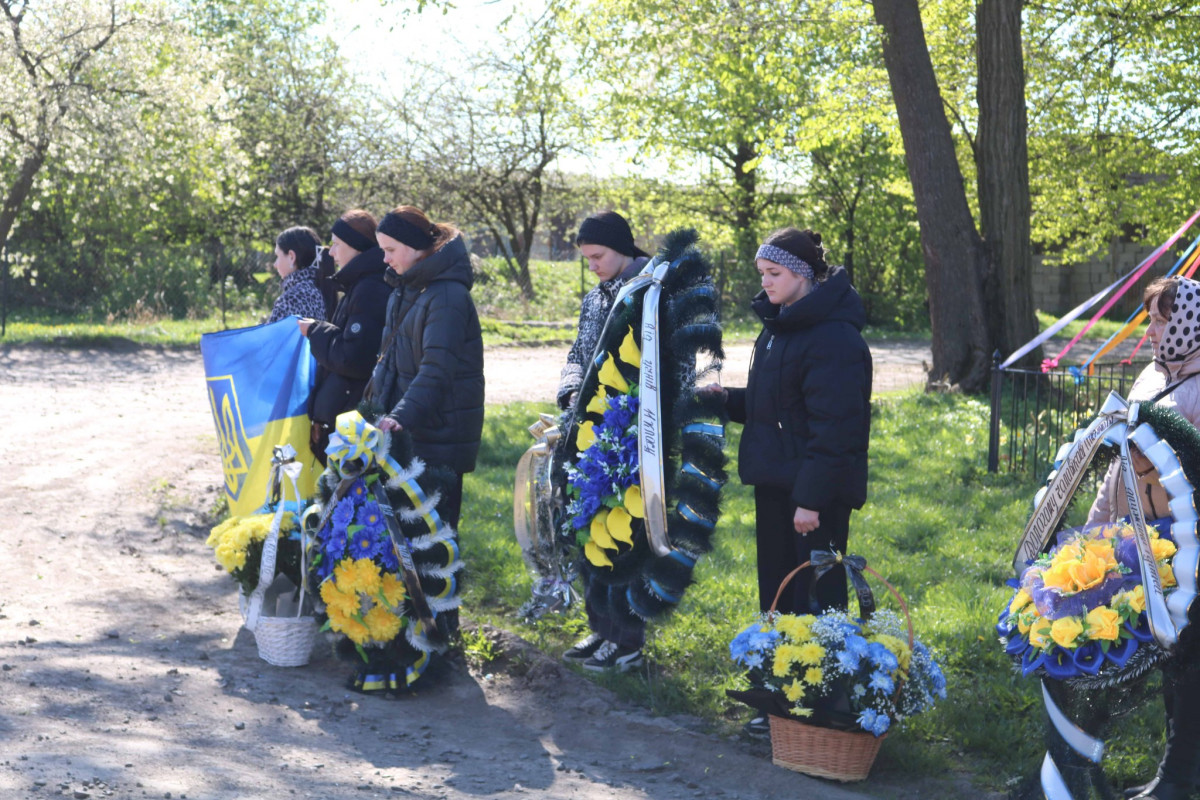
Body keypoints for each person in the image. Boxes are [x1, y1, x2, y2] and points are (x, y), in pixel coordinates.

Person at [705, 227, 872, 736]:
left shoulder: (834, 338)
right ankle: (779, 698)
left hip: (811, 498)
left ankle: (824, 705)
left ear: (802, 275)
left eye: (774, 274)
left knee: (814, 598)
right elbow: (774, 407)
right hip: (778, 486)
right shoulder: (780, 328)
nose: (766, 283)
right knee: (777, 596)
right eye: (762, 274)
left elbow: (835, 429)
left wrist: (811, 500)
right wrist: (726, 400)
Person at [1085, 276, 1200, 800]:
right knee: (1170, 657)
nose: (1151, 330)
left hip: (1191, 541)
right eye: (1151, 317)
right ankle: (1173, 772)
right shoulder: (1150, 378)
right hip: (1146, 540)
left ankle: (1179, 778)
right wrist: (1097, 528)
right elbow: (1119, 470)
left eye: (1160, 319)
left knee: (1191, 657)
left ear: (1187, 324)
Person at [558, 210, 653, 672]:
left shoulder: (651, 295)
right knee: (589, 528)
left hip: (632, 434)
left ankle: (628, 638)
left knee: (624, 535)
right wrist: (572, 389)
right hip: (589, 428)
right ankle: (600, 629)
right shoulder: (595, 297)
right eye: (587, 259)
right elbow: (578, 351)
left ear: (623, 248)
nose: (592, 265)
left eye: (598, 256)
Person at [365, 205, 485, 533]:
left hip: (437, 441)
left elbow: (436, 370)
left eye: (390, 250)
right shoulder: (405, 288)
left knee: (434, 551)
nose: (385, 259)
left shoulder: (447, 296)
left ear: (416, 247)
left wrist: (399, 416)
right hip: (408, 436)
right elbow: (388, 362)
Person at [298, 210, 390, 465]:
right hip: (342, 417)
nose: (330, 252)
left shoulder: (369, 289)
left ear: (356, 248)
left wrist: (315, 331)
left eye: (337, 244)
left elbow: (353, 357)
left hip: (351, 424)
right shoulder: (358, 286)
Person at [266, 226, 327, 324]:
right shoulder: (320, 288)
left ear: (291, 257)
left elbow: (272, 338)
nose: (275, 264)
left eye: (277, 256)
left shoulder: (290, 299)